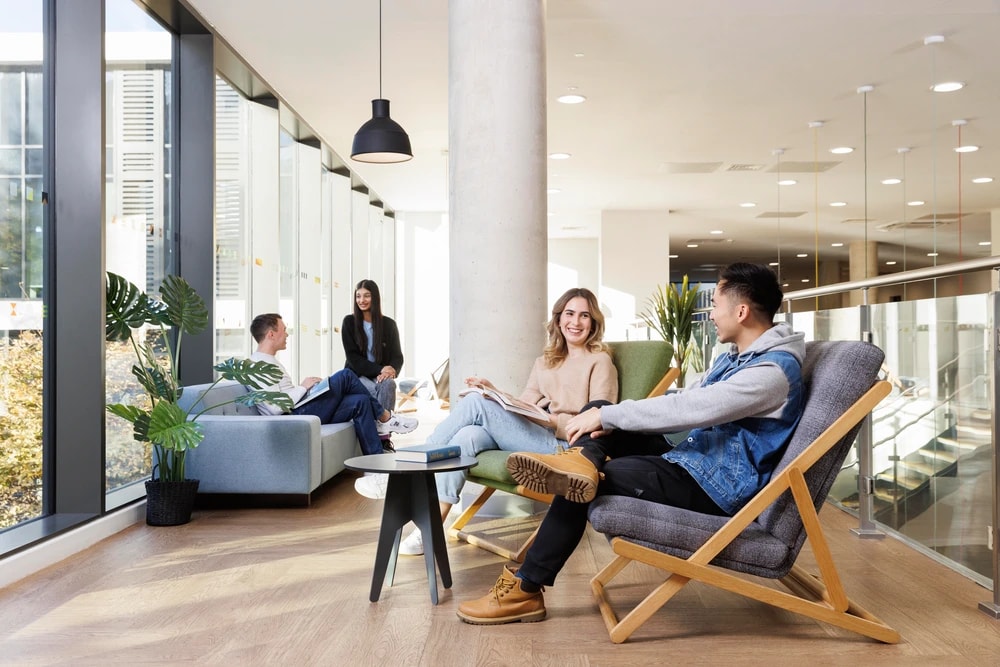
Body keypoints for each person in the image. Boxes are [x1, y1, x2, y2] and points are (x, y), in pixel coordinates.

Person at [456, 262, 805, 625]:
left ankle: (525, 590)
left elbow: (692, 408)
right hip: (693, 459)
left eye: (715, 304)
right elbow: (685, 398)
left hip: (714, 486)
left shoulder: (770, 373)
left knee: (589, 477)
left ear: (742, 311)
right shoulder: (737, 358)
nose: (711, 314)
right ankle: (579, 463)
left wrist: (609, 418)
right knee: (598, 415)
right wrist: (606, 415)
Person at [355, 287, 619, 557]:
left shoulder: (600, 362)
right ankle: (429, 530)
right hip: (535, 433)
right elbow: (525, 405)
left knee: (474, 403)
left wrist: (552, 421)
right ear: (559, 318)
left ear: (594, 322)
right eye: (570, 314)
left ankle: (404, 469)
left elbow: (600, 421)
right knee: (467, 436)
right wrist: (497, 393)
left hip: (566, 447)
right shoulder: (545, 361)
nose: (576, 322)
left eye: (584, 316)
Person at [250, 313, 418, 456]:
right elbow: (274, 407)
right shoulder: (257, 365)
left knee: (360, 401)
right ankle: (384, 417)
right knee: (346, 375)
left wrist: (308, 390)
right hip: (292, 418)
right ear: (271, 334)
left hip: (299, 410)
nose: (287, 334)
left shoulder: (269, 361)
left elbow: (282, 395)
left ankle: (375, 460)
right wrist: (303, 387)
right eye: (284, 330)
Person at [342, 280, 404, 413]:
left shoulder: (389, 324)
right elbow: (353, 358)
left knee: (389, 384)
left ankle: (384, 428)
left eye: (367, 295)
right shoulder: (349, 322)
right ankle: (385, 424)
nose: (361, 300)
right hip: (357, 376)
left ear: (375, 297)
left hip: (379, 375)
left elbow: (397, 356)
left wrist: (391, 370)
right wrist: (381, 369)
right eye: (358, 296)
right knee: (378, 391)